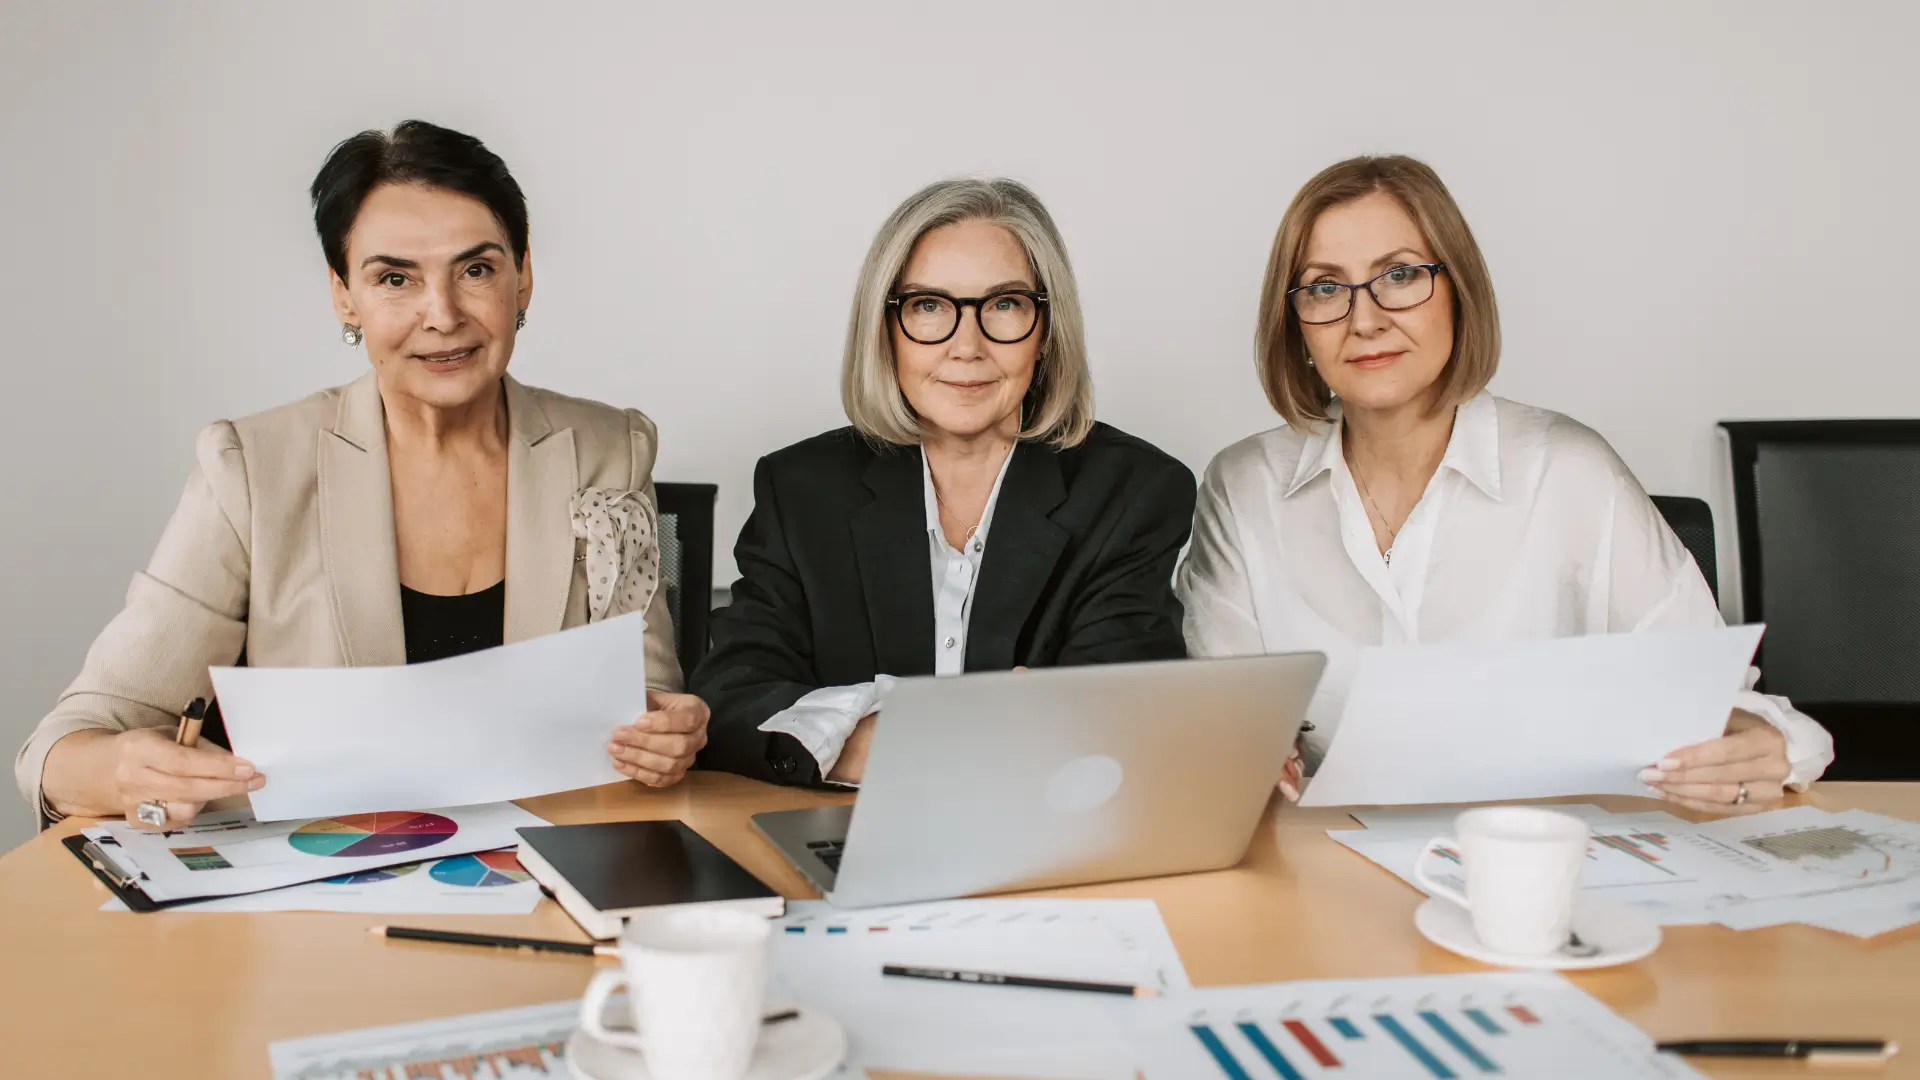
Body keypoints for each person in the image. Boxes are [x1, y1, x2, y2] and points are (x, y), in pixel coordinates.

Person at [16, 120, 708, 829]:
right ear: (345, 295)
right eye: (394, 279)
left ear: (522, 276)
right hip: (327, 870)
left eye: (476, 270)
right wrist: (123, 769)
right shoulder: (251, 470)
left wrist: (665, 731)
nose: (443, 316)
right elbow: (64, 746)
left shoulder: (609, 448)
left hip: (547, 861)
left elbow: (646, 690)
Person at [1178, 154, 1833, 813]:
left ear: (1459, 290)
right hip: (1327, 856)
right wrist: (1246, 751)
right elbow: (1224, 721)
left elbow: (1726, 706)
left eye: (1400, 275)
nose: (1365, 319)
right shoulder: (1245, 487)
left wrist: (1762, 742)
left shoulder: (1569, 470)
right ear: (1295, 321)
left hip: (1545, 851)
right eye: (1324, 287)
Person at [694, 178, 1194, 787]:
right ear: (885, 329)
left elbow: (1117, 717)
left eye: (1005, 304)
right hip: (836, 828)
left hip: (1039, 826)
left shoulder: (1134, 492)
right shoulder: (801, 489)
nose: (967, 346)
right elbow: (730, 698)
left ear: (1046, 330)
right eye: (929, 306)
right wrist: (927, 739)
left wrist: (842, 729)